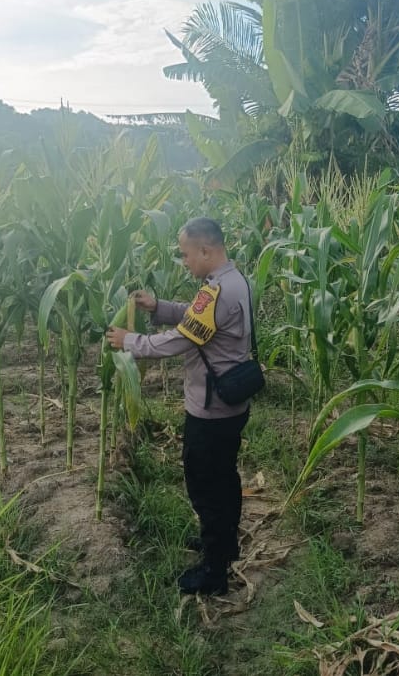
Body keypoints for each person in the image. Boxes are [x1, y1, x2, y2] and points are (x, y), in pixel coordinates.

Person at [106, 217, 252, 595]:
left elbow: (182, 339)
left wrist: (131, 342)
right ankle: (223, 545)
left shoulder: (218, 291)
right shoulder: (233, 280)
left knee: (204, 484)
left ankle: (214, 572)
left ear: (205, 250)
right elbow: (197, 315)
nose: (184, 262)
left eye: (186, 255)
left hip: (211, 409)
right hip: (230, 404)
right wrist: (159, 306)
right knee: (225, 478)